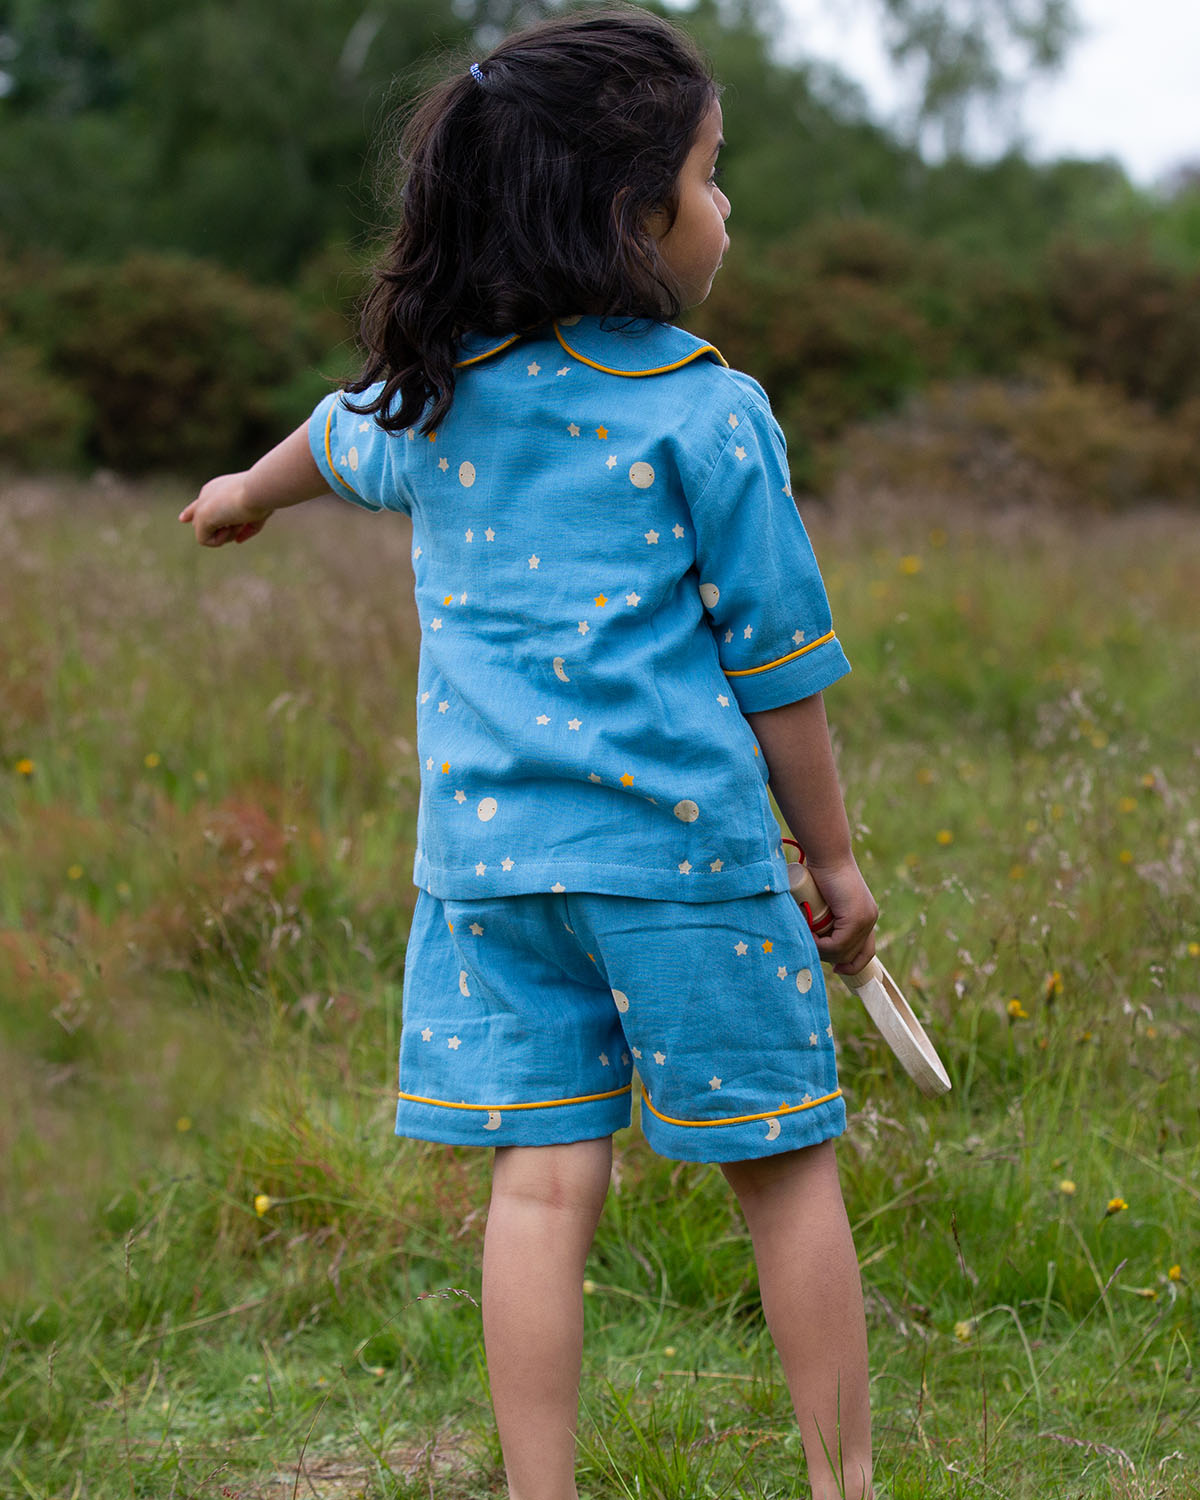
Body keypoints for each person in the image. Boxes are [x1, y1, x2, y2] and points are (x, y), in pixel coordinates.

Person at [180, 9, 877, 1498]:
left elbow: (330, 429)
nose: (727, 205)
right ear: (634, 220)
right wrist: (829, 860)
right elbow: (781, 670)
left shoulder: (442, 397)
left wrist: (247, 489)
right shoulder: (707, 413)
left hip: (490, 876)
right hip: (681, 865)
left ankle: (537, 1492)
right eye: (711, 175)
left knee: (542, 1185)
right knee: (783, 1167)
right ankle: (843, 1484)